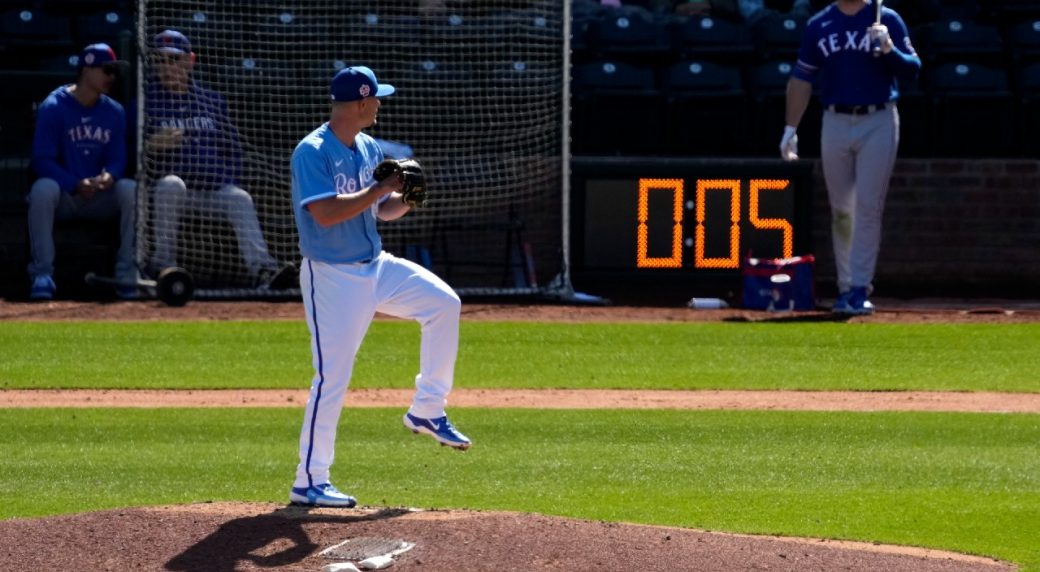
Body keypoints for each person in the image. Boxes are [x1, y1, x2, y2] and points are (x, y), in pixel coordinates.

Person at [287, 65, 470, 508]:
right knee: (333, 378)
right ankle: (309, 479)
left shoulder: (366, 145)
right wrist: (380, 189)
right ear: (362, 102)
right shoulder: (312, 150)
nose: (381, 105)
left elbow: (380, 211)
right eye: (377, 98)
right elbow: (326, 213)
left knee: (444, 304)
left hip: (376, 265)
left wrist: (402, 197)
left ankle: (428, 409)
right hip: (332, 276)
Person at [779, 0, 921, 315]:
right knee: (842, 209)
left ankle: (860, 287)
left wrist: (889, 49)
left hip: (878, 117)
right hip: (835, 119)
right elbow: (803, 76)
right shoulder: (820, 23)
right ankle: (845, 287)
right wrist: (791, 127)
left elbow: (913, 70)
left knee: (868, 206)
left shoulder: (887, 18)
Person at [144, 29, 295, 288]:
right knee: (171, 185)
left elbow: (232, 149)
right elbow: (133, 154)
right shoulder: (146, 101)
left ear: (190, 61)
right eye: (160, 60)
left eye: (174, 59)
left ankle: (263, 271)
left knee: (239, 198)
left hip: (210, 191)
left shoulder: (211, 101)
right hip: (169, 193)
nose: (168, 67)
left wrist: (225, 178)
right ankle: (162, 268)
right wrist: (151, 145)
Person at [27, 43, 137, 300]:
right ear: (87, 69)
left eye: (114, 72)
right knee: (42, 189)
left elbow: (117, 157)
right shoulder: (54, 106)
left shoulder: (114, 111)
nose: (111, 77)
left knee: (129, 190)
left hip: (100, 196)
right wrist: (74, 183)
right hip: (67, 196)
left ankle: (127, 273)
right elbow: (41, 160)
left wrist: (110, 175)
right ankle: (42, 274)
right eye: (106, 70)